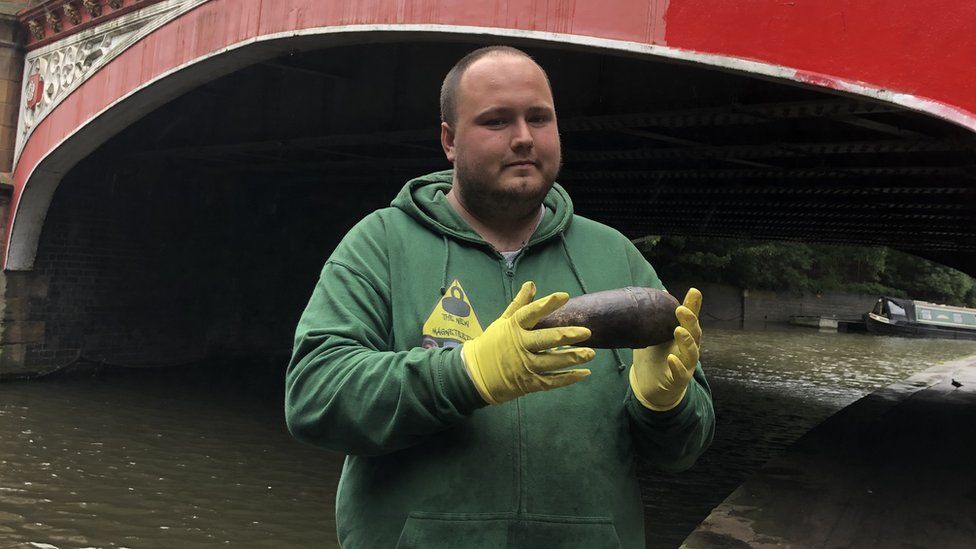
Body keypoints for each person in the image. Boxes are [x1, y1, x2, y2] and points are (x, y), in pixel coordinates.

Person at [286, 45, 715, 548]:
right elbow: (314, 397)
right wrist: (465, 374)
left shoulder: (616, 256)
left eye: (540, 118)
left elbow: (681, 452)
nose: (524, 138)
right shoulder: (380, 243)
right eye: (496, 121)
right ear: (449, 141)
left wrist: (664, 406)